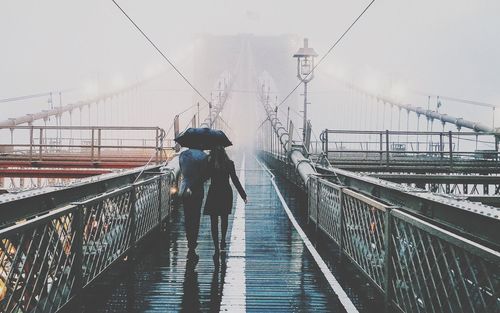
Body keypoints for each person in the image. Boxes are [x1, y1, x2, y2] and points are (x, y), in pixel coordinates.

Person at [204, 146, 247, 259]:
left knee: (214, 221)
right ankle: (223, 240)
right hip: (225, 193)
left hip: (213, 193)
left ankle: (216, 247)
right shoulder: (229, 163)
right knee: (224, 218)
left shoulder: (211, 163)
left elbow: (204, 177)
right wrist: (243, 195)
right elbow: (235, 180)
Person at [179, 148, 208, 261]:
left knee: (187, 216)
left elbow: (182, 170)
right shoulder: (203, 156)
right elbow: (205, 175)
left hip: (184, 189)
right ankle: (193, 243)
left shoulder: (182, 155)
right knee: (195, 217)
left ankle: (189, 240)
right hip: (197, 190)